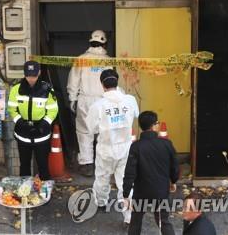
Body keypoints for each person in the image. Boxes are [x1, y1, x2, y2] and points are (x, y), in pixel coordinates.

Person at [86, 69, 139, 224]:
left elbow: (91, 129)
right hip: (126, 148)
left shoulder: (98, 105)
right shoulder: (130, 100)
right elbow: (136, 114)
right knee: (125, 181)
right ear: (117, 82)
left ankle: (101, 203)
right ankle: (129, 217)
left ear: (102, 85)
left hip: (106, 148)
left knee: (102, 178)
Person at [123, 111, 179, 235]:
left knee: (136, 221)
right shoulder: (166, 144)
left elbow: (130, 172)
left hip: (141, 191)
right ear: (154, 125)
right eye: (157, 123)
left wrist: (126, 193)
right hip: (161, 190)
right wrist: (173, 181)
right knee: (163, 221)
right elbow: (175, 166)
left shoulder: (136, 147)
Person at [67, 30, 111, 176]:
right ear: (104, 43)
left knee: (84, 132)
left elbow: (73, 81)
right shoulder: (108, 61)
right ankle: (102, 164)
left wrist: (72, 98)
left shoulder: (81, 59)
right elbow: (111, 81)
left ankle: (87, 165)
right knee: (103, 133)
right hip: (103, 100)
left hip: (85, 100)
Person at [8, 61, 59, 180]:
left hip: (41, 133)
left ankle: (44, 192)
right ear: (24, 74)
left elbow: (53, 109)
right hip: (23, 133)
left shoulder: (47, 89)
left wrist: (45, 123)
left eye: (34, 75)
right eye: (28, 75)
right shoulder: (16, 89)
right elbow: (11, 108)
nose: (31, 79)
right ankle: (24, 191)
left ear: (39, 73)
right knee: (24, 165)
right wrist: (20, 121)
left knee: (43, 165)